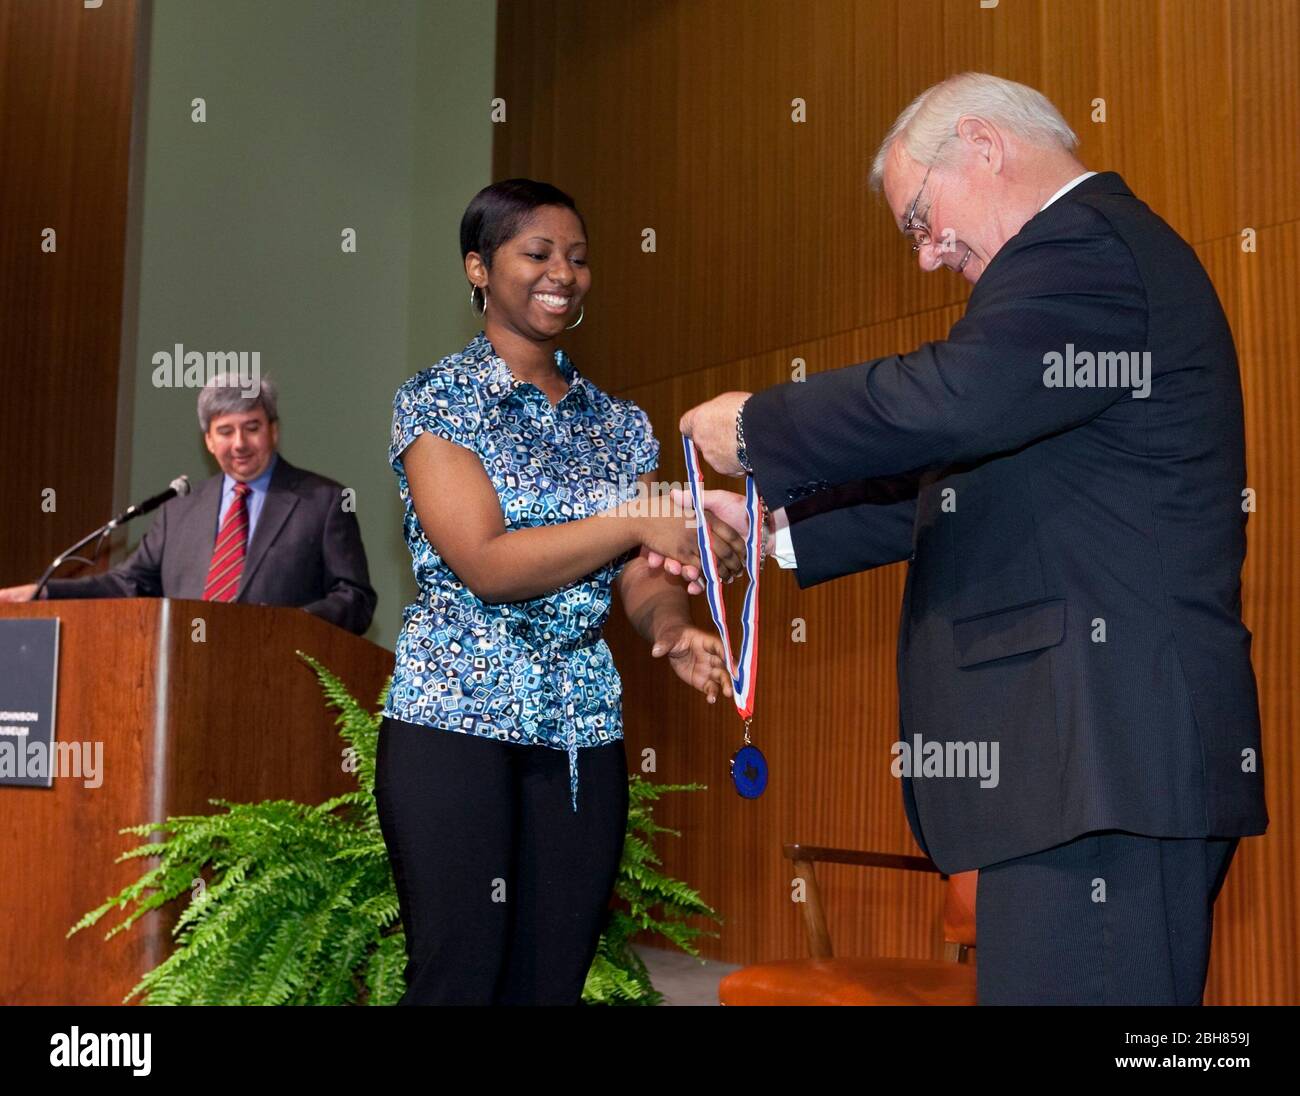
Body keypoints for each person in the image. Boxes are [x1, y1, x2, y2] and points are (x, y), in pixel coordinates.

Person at [675, 73, 1267, 1005]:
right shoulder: (1079, 271)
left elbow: (952, 400)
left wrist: (760, 428)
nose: (925, 255)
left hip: (1105, 756)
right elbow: (965, 475)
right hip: (1084, 768)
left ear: (984, 146)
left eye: (918, 217)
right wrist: (773, 528)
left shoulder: (1086, 246)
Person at [374, 178, 746, 1005]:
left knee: (552, 981)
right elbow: (489, 564)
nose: (563, 273)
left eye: (577, 258)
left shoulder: (615, 424)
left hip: (580, 731)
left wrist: (670, 627)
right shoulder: (437, 402)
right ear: (479, 268)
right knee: (458, 976)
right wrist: (635, 520)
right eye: (537, 253)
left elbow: (639, 568)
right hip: (452, 725)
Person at [0, 374, 376, 636]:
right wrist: (46, 592)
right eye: (225, 431)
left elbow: (355, 599)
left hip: (280, 685)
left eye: (252, 427)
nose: (239, 443)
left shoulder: (323, 502)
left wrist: (291, 625)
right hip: (185, 676)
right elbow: (127, 584)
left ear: (274, 431)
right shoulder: (179, 509)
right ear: (209, 441)